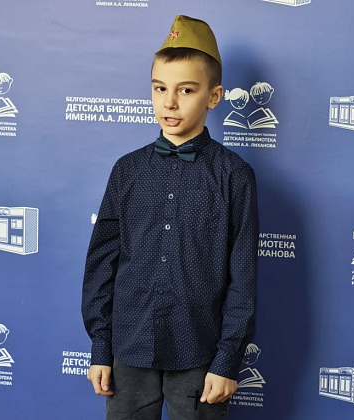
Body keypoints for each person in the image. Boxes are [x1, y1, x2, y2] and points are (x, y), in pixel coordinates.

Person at [82, 15, 259, 420]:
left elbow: (243, 277)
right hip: (129, 346)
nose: (169, 103)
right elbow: (102, 263)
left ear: (214, 97)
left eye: (186, 90)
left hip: (200, 350)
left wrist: (227, 360)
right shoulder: (127, 170)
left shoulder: (234, 176)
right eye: (160, 88)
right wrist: (101, 346)